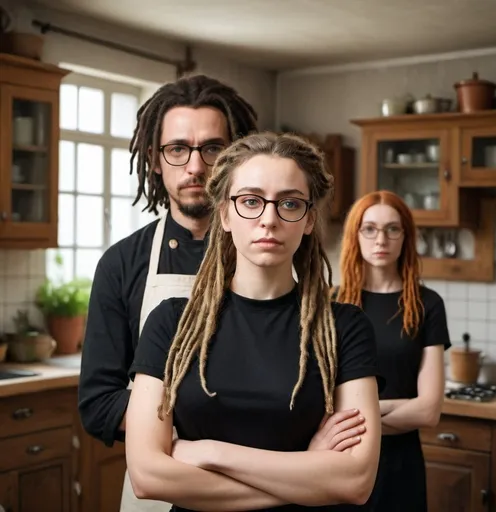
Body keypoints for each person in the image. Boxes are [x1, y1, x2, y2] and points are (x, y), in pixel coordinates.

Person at [125, 132, 382, 512]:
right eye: (250, 201)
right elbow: (147, 476)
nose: (269, 219)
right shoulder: (171, 323)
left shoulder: (345, 328)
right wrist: (309, 471)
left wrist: (211, 453)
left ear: (309, 219)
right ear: (225, 214)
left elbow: (356, 481)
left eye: (290, 204)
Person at [78, 74, 259, 512]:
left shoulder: (273, 255)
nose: (195, 167)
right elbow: (99, 401)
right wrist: (200, 433)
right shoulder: (122, 264)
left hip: (263, 476)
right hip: (159, 487)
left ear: (237, 157)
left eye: (212, 148)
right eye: (177, 149)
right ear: (156, 160)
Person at [333, 190, 451, 512]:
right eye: (369, 229)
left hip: (400, 465)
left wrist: (357, 418)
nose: (380, 239)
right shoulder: (333, 304)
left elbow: (429, 410)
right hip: (339, 463)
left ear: (405, 237)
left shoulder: (428, 305)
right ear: (355, 236)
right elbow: (320, 406)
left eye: (392, 229)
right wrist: (401, 407)